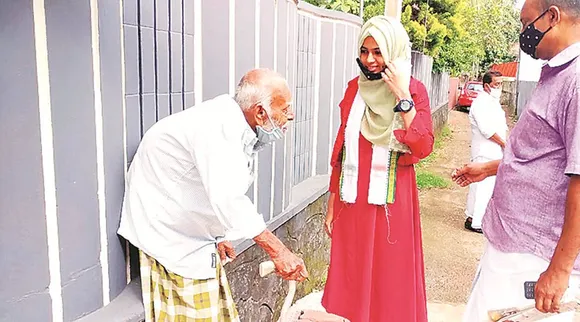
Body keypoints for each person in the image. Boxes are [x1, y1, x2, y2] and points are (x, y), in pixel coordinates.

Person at [117, 68, 308, 322]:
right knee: (192, 312)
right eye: (285, 109)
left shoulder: (234, 121)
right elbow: (229, 198)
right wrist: (279, 251)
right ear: (260, 112)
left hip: (187, 227)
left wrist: (219, 233)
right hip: (165, 231)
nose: (290, 116)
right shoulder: (218, 129)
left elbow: (212, 185)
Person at [452, 0, 580, 320]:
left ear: (552, 16)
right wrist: (492, 167)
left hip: (534, 257)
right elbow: (549, 157)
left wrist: (559, 270)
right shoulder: (557, 74)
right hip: (513, 245)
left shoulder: (576, 80)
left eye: (526, 24)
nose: (524, 34)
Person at [322, 15, 434, 322]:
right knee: (355, 269)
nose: (369, 60)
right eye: (364, 51)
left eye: (378, 52)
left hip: (391, 202)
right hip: (352, 200)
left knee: (390, 273)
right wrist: (332, 201)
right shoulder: (353, 90)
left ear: (394, 52)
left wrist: (402, 96)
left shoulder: (414, 89)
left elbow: (422, 146)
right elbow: (341, 149)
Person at [464, 70, 507, 233]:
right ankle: (477, 222)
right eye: (497, 84)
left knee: (480, 187)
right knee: (483, 188)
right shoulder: (481, 103)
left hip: (493, 151)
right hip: (485, 151)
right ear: (487, 85)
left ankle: (471, 217)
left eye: (501, 84)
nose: (500, 87)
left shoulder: (492, 102)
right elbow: (487, 130)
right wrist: (505, 144)